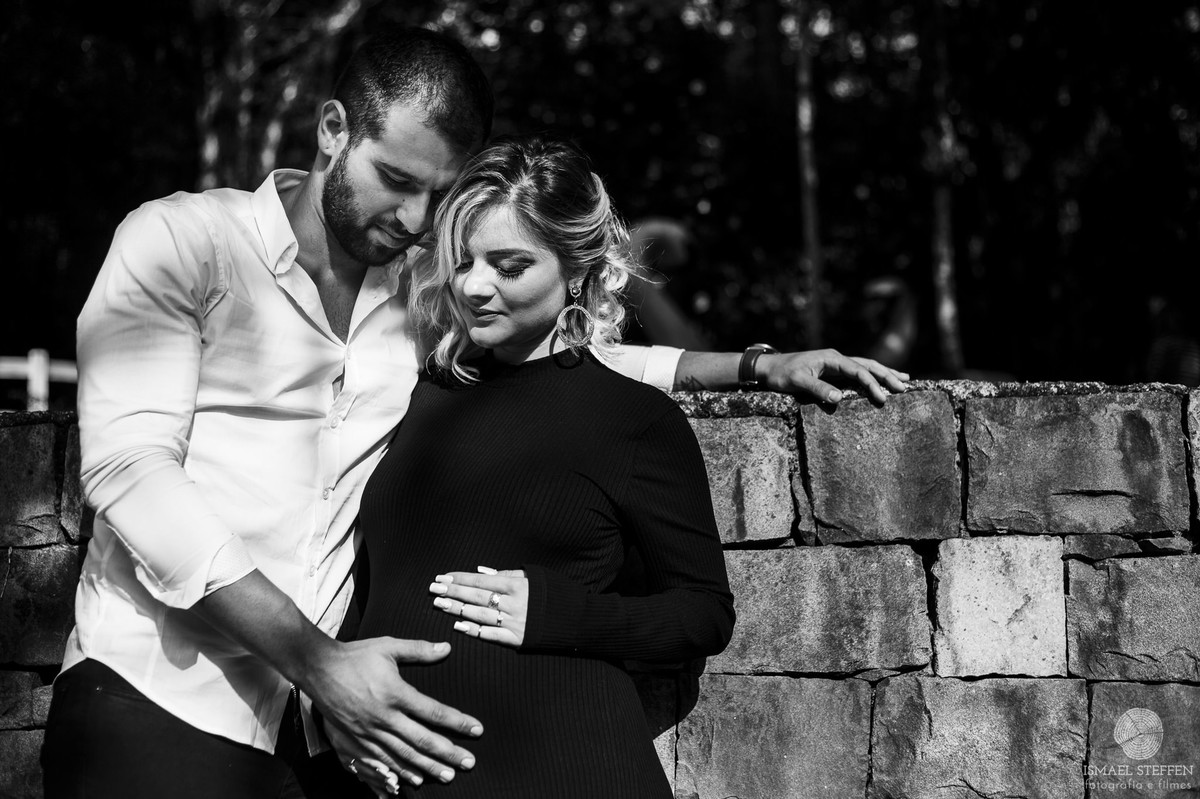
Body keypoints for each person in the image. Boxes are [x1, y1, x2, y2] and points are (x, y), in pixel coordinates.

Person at [42, 25, 907, 799]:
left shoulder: (412, 299)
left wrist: (760, 362)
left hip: (319, 743)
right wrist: (319, 660)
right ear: (334, 129)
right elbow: (131, 472)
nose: (418, 220)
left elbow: (560, 363)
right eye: (396, 180)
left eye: (439, 195)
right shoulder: (181, 243)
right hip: (159, 700)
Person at [325, 134, 735, 798]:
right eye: (464, 261)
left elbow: (704, 614)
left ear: (576, 269)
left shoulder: (634, 420)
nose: (476, 286)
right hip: (406, 775)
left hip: (570, 770)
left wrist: (556, 612)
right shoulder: (426, 393)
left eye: (510, 265)